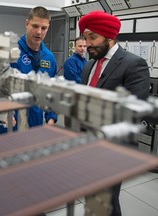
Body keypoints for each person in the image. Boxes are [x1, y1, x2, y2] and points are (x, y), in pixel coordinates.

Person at [79, 11, 150, 216]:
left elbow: (135, 112)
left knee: (106, 201)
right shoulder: (89, 65)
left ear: (110, 37)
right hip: (86, 144)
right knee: (92, 197)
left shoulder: (133, 63)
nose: (87, 43)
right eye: (85, 37)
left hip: (112, 148)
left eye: (93, 37)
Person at [0, 6, 58, 134]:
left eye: (44, 28)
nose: (39, 32)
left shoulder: (49, 58)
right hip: (11, 122)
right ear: (27, 23)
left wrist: (50, 119)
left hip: (35, 123)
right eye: (35, 26)